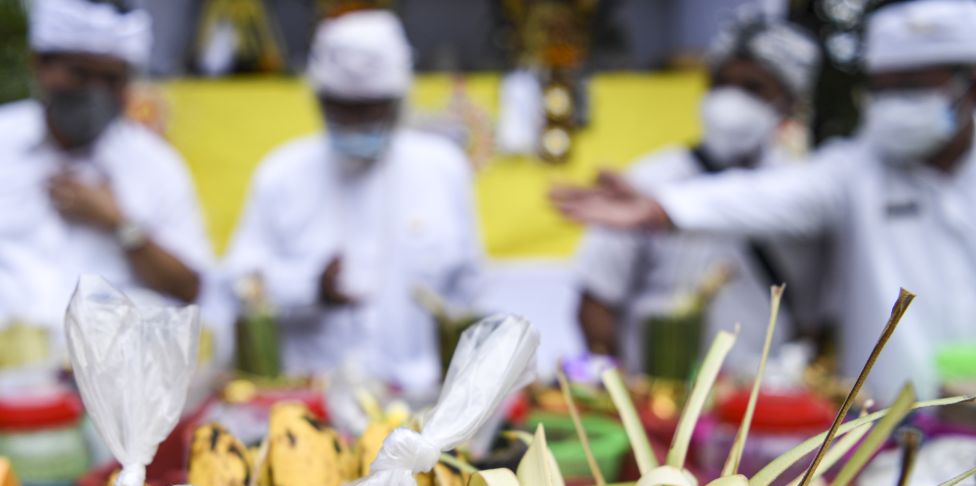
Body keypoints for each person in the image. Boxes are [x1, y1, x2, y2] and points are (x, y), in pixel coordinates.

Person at [552, 0, 976, 403]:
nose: (896, 106)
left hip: (781, 400)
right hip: (881, 422)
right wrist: (664, 207)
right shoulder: (849, 172)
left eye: (915, 89)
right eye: (883, 91)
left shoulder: (806, 171)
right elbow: (767, 198)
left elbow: (815, 315)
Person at [0, 0, 212, 331]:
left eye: (112, 79)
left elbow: (190, 287)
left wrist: (120, 225)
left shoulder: (156, 163)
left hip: (114, 378)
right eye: (79, 73)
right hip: (2, 374)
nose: (95, 92)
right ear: (39, 65)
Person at [224, 10, 482, 397]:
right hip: (308, 403)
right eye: (341, 107)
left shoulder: (443, 170)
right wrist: (309, 287)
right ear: (320, 101)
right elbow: (237, 284)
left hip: (418, 402)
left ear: (398, 102)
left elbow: (470, 292)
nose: (355, 120)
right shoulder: (281, 174)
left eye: (370, 107)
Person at [574, 12, 824, 376]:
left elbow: (816, 318)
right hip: (657, 407)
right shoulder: (650, 179)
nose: (730, 99)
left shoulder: (802, 190)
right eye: (720, 83)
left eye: (752, 88)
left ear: (789, 100)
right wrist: (622, 394)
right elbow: (596, 299)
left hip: (764, 404)